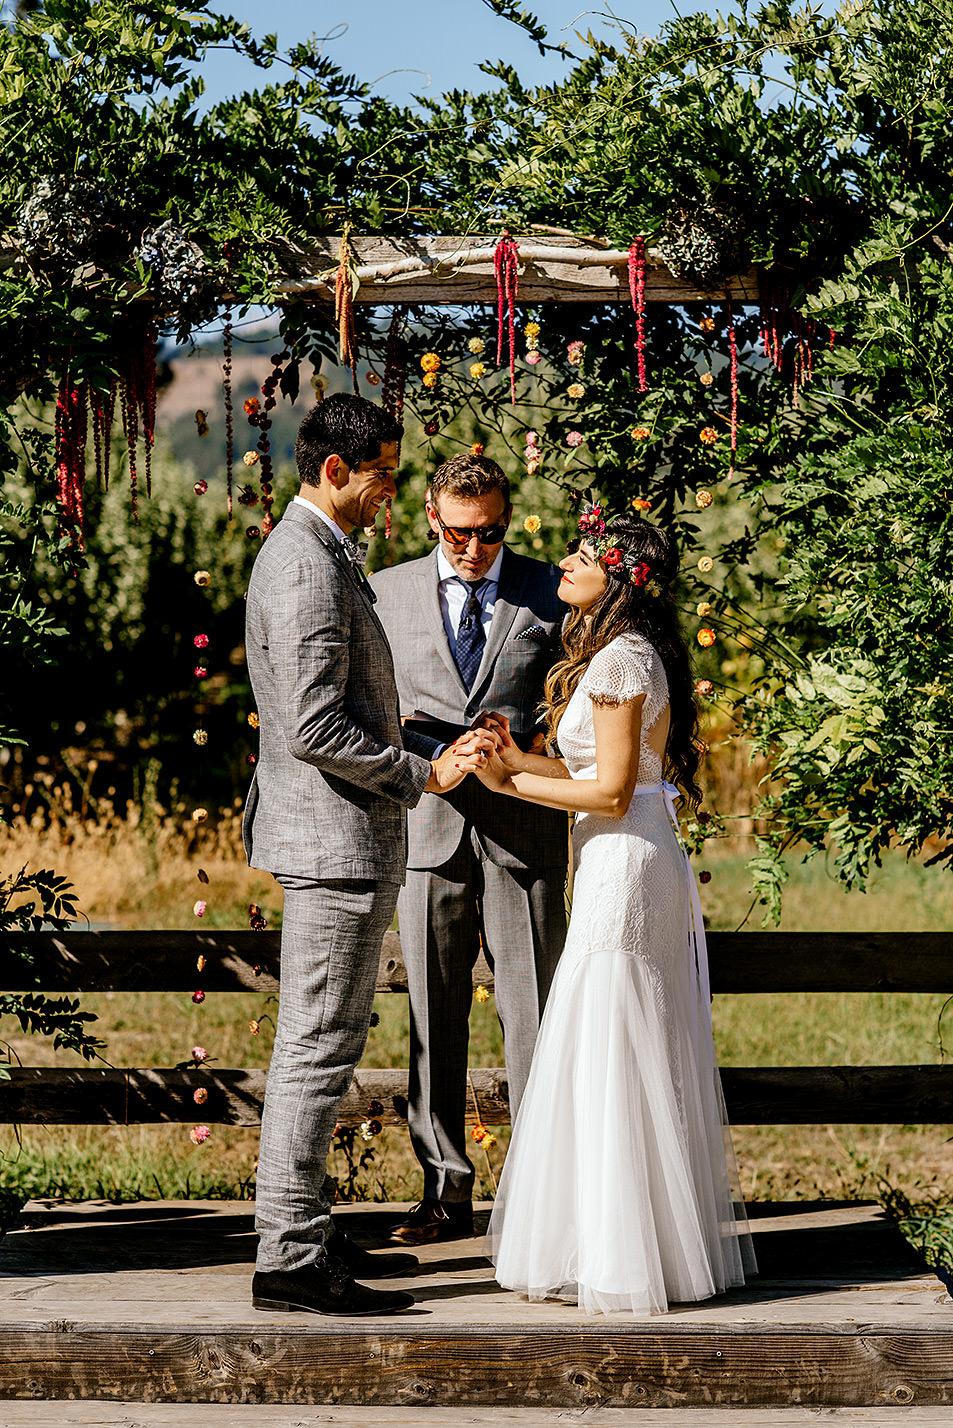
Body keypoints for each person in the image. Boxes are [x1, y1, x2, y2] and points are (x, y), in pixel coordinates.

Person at [242, 394, 495, 1317]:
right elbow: (312, 724)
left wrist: (422, 732)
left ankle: (305, 1230)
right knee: (315, 1049)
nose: (393, 490)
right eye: (385, 473)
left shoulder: (313, 552)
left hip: (339, 836)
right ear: (335, 472)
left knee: (325, 1044)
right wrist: (419, 773)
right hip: (334, 841)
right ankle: (290, 1259)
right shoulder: (306, 566)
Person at [478, 504, 756, 1314]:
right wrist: (512, 753)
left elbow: (604, 790)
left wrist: (508, 782)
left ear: (619, 579)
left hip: (622, 865)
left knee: (607, 1036)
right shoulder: (628, 653)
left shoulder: (616, 662)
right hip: (631, 852)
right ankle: (632, 1245)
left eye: (582, 552)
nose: (564, 558)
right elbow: (615, 774)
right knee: (621, 1040)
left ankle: (617, 1256)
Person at [370, 453, 568, 1245]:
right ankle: (444, 1190)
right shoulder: (383, 593)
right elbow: (369, 707)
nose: (473, 549)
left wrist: (526, 743)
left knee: (534, 1015)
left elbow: (575, 704)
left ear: (506, 520)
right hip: (429, 826)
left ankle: (542, 1192)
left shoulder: (551, 592)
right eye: (457, 534)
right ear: (429, 517)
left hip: (525, 826)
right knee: (433, 1015)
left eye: (487, 534)